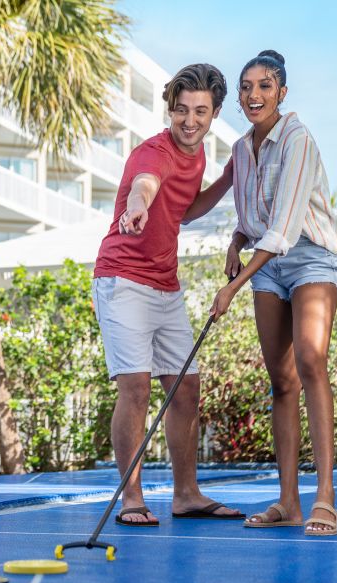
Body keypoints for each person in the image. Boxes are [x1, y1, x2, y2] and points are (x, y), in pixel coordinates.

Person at [92, 63, 243, 526]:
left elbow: (182, 211)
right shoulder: (152, 153)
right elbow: (146, 185)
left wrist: (228, 178)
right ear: (170, 110)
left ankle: (186, 494)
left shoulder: (196, 157)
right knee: (135, 387)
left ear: (214, 112)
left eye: (200, 111)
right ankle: (132, 498)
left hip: (165, 284)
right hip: (123, 281)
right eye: (180, 111)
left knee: (185, 389)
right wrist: (136, 207)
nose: (189, 120)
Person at [205, 50, 337, 535]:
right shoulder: (242, 150)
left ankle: (324, 494)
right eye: (246, 87)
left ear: (282, 93)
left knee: (310, 360)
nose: (253, 95)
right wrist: (234, 240)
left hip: (310, 256)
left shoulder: (298, 139)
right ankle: (288, 502)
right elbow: (253, 217)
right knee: (281, 381)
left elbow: (284, 226)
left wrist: (232, 288)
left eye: (265, 86)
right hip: (268, 266)